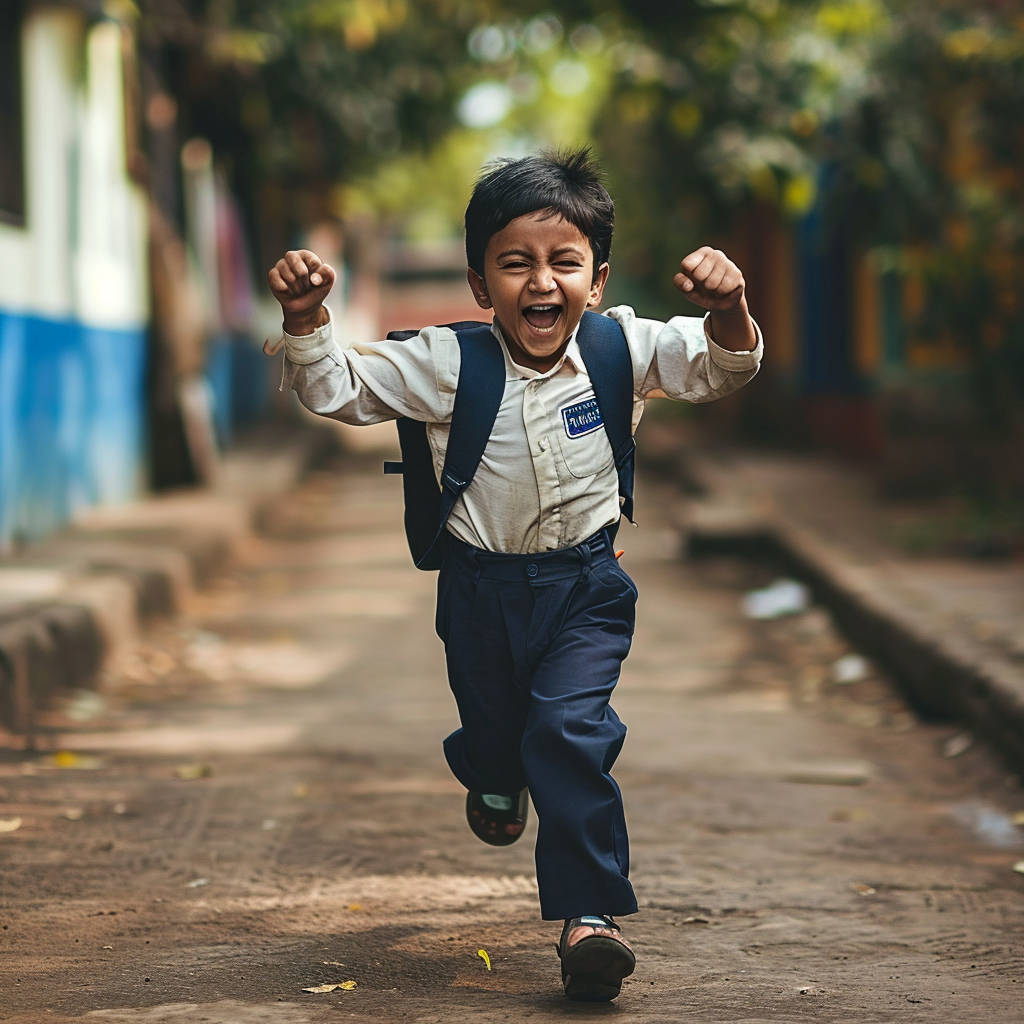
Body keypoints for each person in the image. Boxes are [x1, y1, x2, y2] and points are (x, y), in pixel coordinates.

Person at [266, 149, 762, 1002]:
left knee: (567, 734)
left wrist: (731, 307)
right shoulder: (446, 363)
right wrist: (308, 317)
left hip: (586, 591)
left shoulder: (622, 349)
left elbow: (721, 367)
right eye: (516, 262)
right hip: (480, 594)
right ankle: (490, 768)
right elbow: (340, 391)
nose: (542, 281)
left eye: (564, 262)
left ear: (597, 280)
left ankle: (589, 918)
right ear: (480, 281)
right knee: (502, 733)